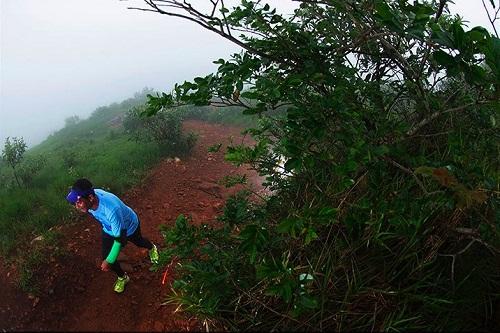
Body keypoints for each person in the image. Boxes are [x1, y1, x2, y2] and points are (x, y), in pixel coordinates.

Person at [65, 178, 159, 293]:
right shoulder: (91, 199)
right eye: (74, 202)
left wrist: (109, 260)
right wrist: (109, 259)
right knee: (107, 257)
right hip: (109, 229)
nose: (77, 206)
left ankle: (152, 247)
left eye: (78, 201)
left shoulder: (111, 210)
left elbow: (120, 239)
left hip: (128, 227)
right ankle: (123, 277)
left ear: (90, 198)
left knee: (138, 242)